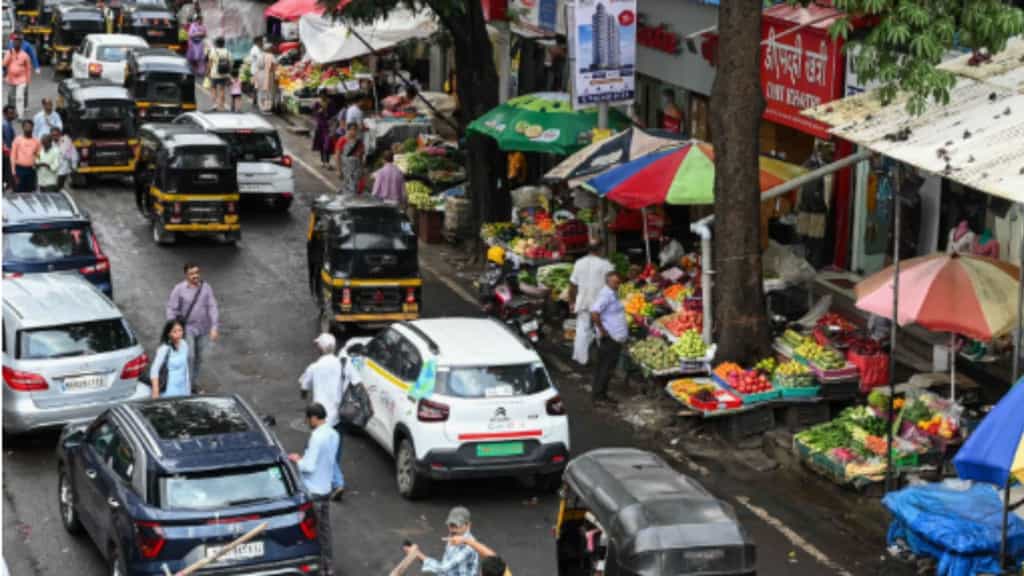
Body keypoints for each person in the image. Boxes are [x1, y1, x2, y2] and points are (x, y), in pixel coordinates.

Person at [288, 403, 339, 576]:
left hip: (313, 491)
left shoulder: (316, 437)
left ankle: (320, 569)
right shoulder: (334, 434)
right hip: (326, 489)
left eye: (308, 418)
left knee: (312, 532)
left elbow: (309, 466)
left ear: (314, 418)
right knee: (325, 531)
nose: (307, 422)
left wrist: (297, 460)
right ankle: (329, 566)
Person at [299, 333, 345, 501]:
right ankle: (336, 481)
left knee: (314, 450)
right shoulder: (342, 363)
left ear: (320, 348)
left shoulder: (314, 367)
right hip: (337, 415)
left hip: (320, 415)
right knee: (331, 451)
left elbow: (304, 386)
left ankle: (335, 482)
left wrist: (304, 392)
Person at [165, 263, 220, 389]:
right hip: (188, 328)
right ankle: (186, 384)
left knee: (200, 357)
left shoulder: (206, 287)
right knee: (190, 356)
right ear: (186, 275)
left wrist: (214, 327)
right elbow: (171, 309)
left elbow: (212, 306)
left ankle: (193, 383)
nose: (195, 276)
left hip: (204, 328)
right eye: (191, 273)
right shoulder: (179, 289)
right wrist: (174, 327)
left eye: (197, 272)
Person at [568, 241, 613, 366]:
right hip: (600, 302)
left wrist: (571, 301)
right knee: (601, 329)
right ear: (600, 249)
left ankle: (580, 359)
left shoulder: (579, 263)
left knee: (582, 329)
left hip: (583, 301)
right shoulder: (606, 265)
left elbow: (572, 285)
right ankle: (603, 359)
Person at [402, 506, 480, 575]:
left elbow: (443, 569)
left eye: (457, 526)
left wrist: (418, 554)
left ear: (468, 525)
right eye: (451, 525)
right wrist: (418, 555)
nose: (452, 529)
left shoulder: (469, 547)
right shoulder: (454, 535)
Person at [590, 271, 628, 404]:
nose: (618, 284)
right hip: (610, 338)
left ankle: (600, 394)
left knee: (605, 368)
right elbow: (594, 313)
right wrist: (603, 331)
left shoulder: (612, 293)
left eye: (618, 282)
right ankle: (599, 397)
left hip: (614, 338)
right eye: (615, 282)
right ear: (608, 282)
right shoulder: (606, 295)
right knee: (605, 368)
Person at [149, 319, 191, 398]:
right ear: (169, 334)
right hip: (169, 388)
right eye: (175, 331)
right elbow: (154, 370)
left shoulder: (184, 344)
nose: (179, 334)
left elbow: (185, 368)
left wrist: (188, 388)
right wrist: (155, 391)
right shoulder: (164, 349)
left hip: (183, 387)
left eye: (180, 330)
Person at [4, 35, 34, 119]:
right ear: (12, 43)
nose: (16, 43)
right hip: (11, 79)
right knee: (11, 97)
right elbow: (4, 64)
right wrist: (9, 56)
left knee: (20, 97)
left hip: (22, 80)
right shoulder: (9, 52)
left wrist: (28, 80)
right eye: (15, 41)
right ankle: (12, 113)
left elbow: (28, 68)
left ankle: (20, 116)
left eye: (18, 42)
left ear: (21, 43)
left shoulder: (25, 55)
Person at [10, 120, 40, 192]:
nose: (28, 129)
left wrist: (37, 163)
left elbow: (39, 155)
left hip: (31, 170)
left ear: (33, 128)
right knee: (19, 191)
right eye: (26, 127)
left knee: (30, 191)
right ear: (23, 128)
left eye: (30, 127)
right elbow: (13, 156)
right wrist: (13, 172)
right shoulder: (17, 140)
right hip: (19, 170)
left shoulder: (37, 141)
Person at [335, 122, 364, 196]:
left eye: (355, 130)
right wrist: (338, 170)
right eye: (351, 130)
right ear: (347, 130)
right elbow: (337, 156)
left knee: (355, 189)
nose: (353, 132)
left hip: (356, 170)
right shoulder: (342, 140)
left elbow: (361, 156)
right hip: (346, 169)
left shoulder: (359, 142)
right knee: (346, 188)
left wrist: (362, 170)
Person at [312, 92, 337, 168]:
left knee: (327, 145)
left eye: (324, 96)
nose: (322, 98)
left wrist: (329, 116)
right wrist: (318, 112)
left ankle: (327, 162)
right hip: (320, 127)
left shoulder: (331, 103)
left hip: (328, 127)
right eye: (321, 96)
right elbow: (314, 113)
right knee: (321, 145)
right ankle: (323, 161)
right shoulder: (317, 103)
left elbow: (334, 114)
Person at [207, 37, 231, 111]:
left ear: (216, 43)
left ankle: (215, 105)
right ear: (223, 43)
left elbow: (210, 63)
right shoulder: (227, 52)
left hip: (214, 74)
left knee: (213, 89)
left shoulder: (213, 51)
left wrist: (207, 72)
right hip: (224, 74)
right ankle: (222, 106)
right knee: (222, 90)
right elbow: (230, 63)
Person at [53, 126, 77, 190]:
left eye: (56, 135)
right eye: (53, 135)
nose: (55, 136)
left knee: (60, 187)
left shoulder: (66, 141)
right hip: (53, 170)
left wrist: (74, 166)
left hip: (64, 169)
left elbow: (73, 154)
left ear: (60, 134)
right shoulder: (50, 142)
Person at [254, 44, 276, 114]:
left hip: (259, 74)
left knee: (260, 91)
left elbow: (256, 66)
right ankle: (267, 108)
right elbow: (273, 67)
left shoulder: (259, 55)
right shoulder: (270, 56)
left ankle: (261, 106)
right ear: (270, 49)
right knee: (268, 91)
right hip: (267, 74)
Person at [3, 105, 16, 189]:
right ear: (5, 114)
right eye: (10, 113)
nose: (13, 115)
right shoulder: (6, 125)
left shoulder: (8, 124)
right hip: (7, 156)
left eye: (13, 113)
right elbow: (8, 144)